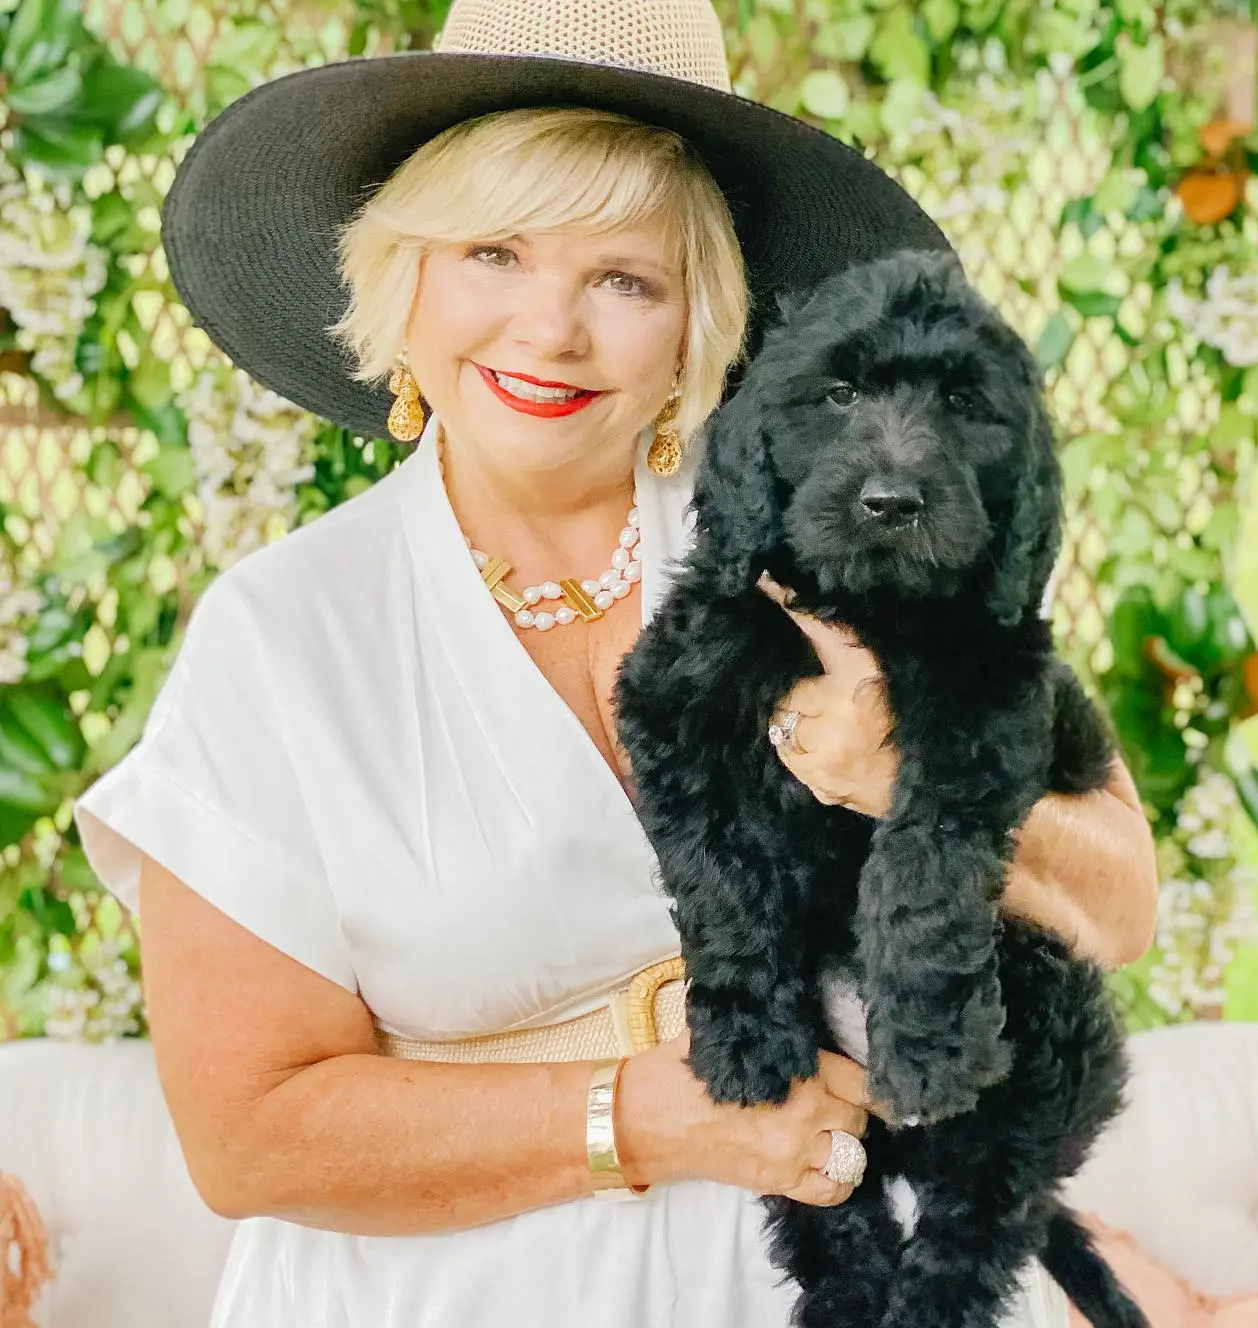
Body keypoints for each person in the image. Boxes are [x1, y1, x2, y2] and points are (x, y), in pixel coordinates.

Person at [74, 1, 1159, 1324]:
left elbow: (1119, 903)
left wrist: (909, 777)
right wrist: (642, 1117)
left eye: (624, 278)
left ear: (705, 319)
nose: (550, 329)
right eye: (493, 252)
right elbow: (248, 1136)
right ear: (401, 280)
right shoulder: (282, 638)